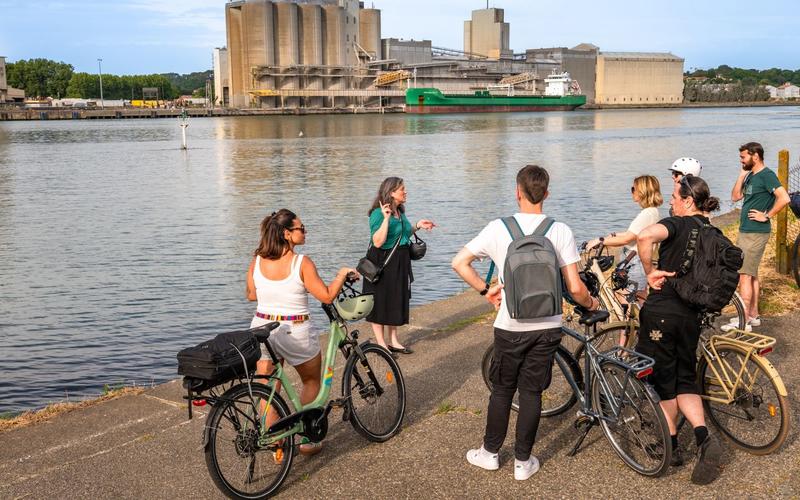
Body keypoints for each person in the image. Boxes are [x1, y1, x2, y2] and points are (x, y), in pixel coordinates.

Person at [451, 165, 600, 481]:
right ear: (547, 194)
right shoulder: (559, 230)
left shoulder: (497, 228)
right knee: (532, 392)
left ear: (517, 192)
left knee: (503, 390)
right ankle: (523, 462)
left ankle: (489, 454)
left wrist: (485, 290)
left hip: (510, 325)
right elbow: (574, 287)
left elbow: (459, 262)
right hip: (548, 325)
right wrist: (592, 303)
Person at [247, 209, 358, 455]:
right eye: (301, 228)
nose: (305, 232)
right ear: (287, 234)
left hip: (262, 327)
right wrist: (342, 274)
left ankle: (273, 438)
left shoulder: (256, 261)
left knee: (267, 386)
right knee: (311, 381)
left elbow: (252, 295)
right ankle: (308, 439)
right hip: (294, 329)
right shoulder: (301, 262)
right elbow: (327, 296)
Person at [636, 175, 724, 484]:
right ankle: (702, 438)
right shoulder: (713, 231)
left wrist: (649, 273)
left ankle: (670, 445)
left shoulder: (677, 224)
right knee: (685, 379)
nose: (670, 202)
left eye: (674, 196)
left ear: (687, 201)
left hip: (662, 313)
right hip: (692, 317)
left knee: (662, 382)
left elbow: (645, 236)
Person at [722, 142, 790, 332]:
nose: (741, 160)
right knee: (751, 274)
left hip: (755, 232)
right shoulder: (751, 175)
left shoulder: (767, 175)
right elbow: (735, 197)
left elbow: (784, 198)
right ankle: (754, 316)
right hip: (747, 230)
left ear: (755, 156)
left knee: (744, 274)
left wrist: (766, 215)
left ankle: (744, 321)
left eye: (744, 157)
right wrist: (742, 174)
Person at [363, 177, 435, 354]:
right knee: (380, 301)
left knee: (395, 300)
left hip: (399, 262)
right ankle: (381, 343)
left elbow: (402, 234)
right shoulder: (377, 214)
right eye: (402, 189)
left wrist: (417, 226)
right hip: (382, 262)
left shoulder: (400, 212)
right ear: (391, 192)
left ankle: (393, 340)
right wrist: (386, 219)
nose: (405, 192)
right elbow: (378, 241)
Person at [586, 175, 664, 292]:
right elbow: (631, 233)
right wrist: (606, 237)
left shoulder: (646, 214)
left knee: (627, 298)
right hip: (636, 260)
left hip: (635, 262)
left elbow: (627, 239)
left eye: (633, 189)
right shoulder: (652, 212)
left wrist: (601, 241)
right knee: (637, 297)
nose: (631, 192)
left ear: (642, 191)